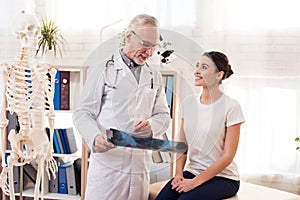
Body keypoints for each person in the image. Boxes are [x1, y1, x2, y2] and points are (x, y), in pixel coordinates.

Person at [73, 14, 170, 200]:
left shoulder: (154, 76)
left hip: (139, 166)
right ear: (128, 36)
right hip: (109, 167)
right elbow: (83, 113)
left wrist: (153, 126)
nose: (149, 53)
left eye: (153, 47)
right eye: (145, 45)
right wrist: (95, 137)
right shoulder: (103, 69)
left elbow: (163, 116)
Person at [156, 51, 245, 200]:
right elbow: (182, 146)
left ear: (219, 75)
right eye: (197, 66)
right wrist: (178, 175)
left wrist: (195, 183)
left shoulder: (231, 106)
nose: (196, 71)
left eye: (204, 67)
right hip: (193, 171)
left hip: (224, 178)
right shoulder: (189, 103)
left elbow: (228, 156)